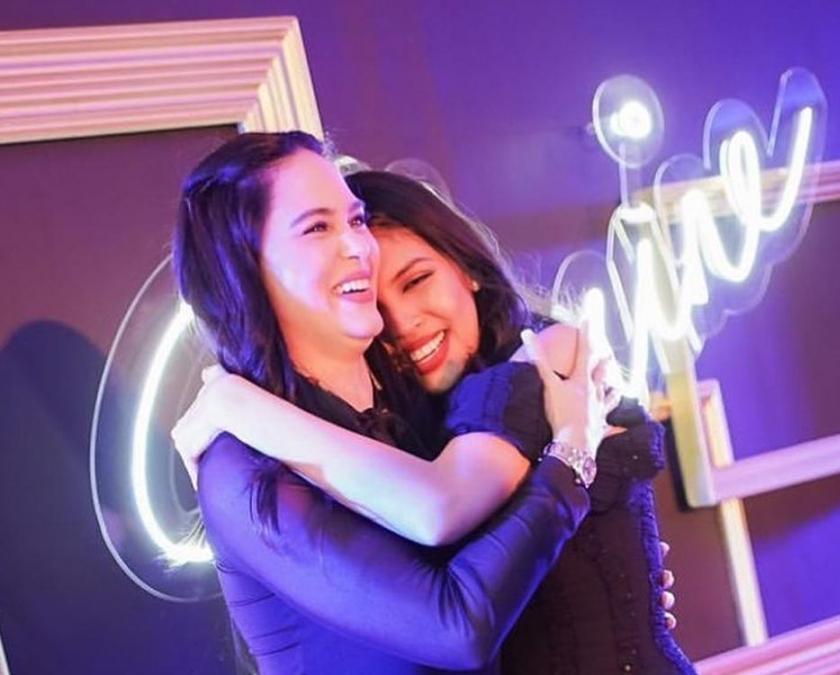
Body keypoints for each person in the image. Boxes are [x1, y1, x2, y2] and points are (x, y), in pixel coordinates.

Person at [175, 165, 696, 673]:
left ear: (465, 266)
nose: (403, 325)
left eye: (417, 281)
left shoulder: (549, 354)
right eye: (377, 307)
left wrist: (237, 405)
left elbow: (444, 511)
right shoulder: (403, 435)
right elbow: (454, 593)